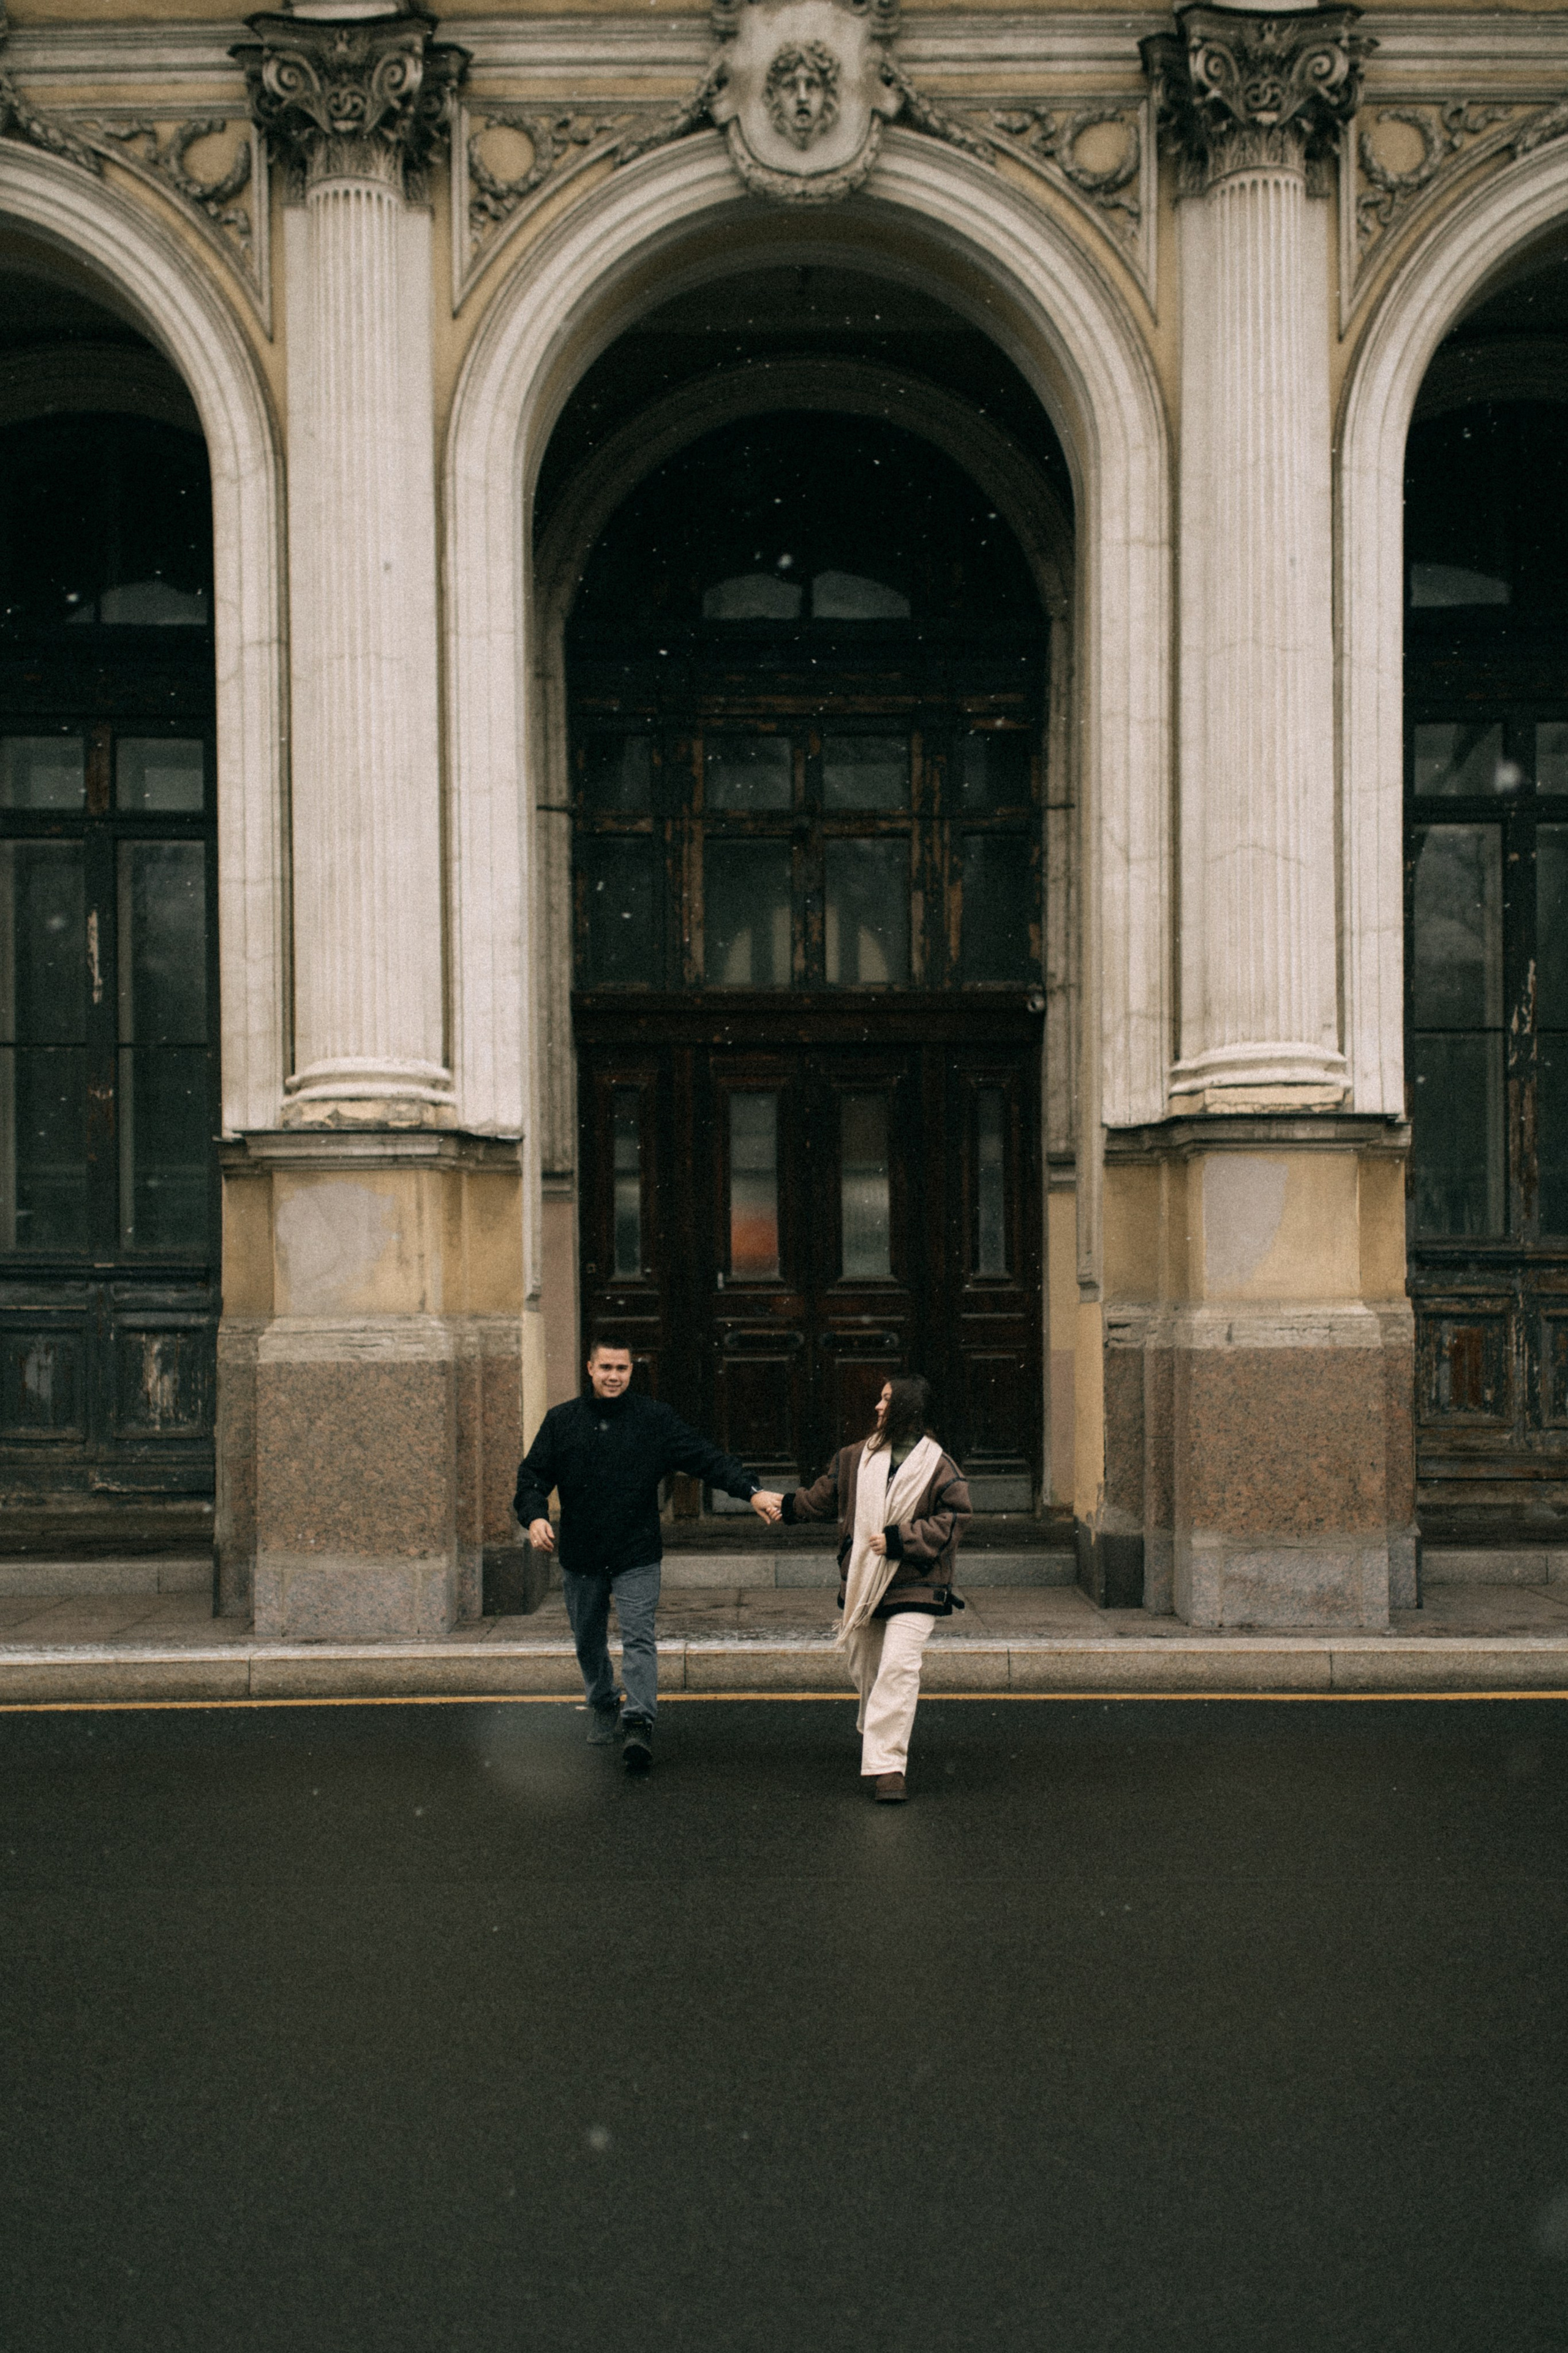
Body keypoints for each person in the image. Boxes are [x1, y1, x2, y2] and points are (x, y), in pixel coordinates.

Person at [515, 1339, 783, 1774]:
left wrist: (750, 1491)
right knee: (587, 1639)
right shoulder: (562, 1421)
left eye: (622, 1368)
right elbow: (532, 1476)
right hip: (582, 1553)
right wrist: (535, 1517)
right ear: (590, 1368)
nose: (614, 1376)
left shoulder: (654, 1419)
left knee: (638, 1636)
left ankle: (639, 1722)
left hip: (636, 1551)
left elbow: (705, 1458)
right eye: (606, 1367)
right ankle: (603, 1702)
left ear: (631, 1371)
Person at [777, 1376, 970, 1802]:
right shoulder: (852, 1458)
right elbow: (822, 1498)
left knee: (898, 1667)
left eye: (887, 1400)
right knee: (867, 1666)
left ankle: (888, 1767)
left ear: (907, 1409)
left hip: (918, 1583)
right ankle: (881, 1725)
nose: (878, 1407)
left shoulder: (940, 1466)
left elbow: (954, 1520)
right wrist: (784, 1506)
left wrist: (901, 1539)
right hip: (865, 1584)